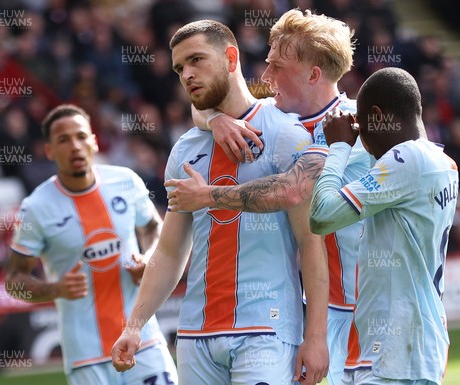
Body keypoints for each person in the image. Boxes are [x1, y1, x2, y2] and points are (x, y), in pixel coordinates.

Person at [110, 20, 329, 385]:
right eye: (180, 68)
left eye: (197, 60)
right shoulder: (185, 149)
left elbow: (311, 242)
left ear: (231, 58)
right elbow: (169, 250)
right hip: (196, 336)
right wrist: (134, 325)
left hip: (267, 328)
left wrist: (316, 337)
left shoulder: (285, 134)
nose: (187, 75)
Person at [165, 9, 369, 385]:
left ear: (313, 74)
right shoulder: (278, 120)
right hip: (322, 309)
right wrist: (215, 119)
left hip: (371, 307)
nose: (267, 78)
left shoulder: (358, 124)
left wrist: (208, 195)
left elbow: (290, 190)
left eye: (278, 68)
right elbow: (212, 103)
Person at [5, 104, 178, 385]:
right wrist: (55, 289)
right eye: (63, 139)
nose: (74, 146)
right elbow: (14, 280)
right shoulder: (36, 208)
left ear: (94, 140)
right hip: (86, 357)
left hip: (141, 339)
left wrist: (149, 258)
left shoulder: (126, 181)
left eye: (81, 136)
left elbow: (153, 228)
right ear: (49, 150)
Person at [310, 67, 458, 385]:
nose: (361, 141)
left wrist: (337, 147)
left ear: (377, 116)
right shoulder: (443, 163)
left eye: (362, 128)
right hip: (413, 343)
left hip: (398, 351)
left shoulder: (407, 160)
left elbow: (321, 215)